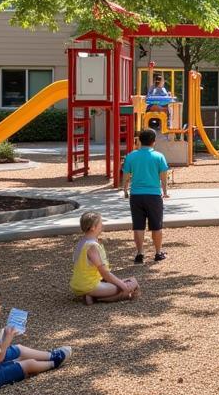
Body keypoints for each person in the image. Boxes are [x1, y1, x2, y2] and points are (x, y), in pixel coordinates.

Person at [69, 211, 140, 305]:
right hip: (89, 285)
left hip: (79, 283)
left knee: (130, 282)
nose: (102, 225)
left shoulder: (82, 242)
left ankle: (93, 295)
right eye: (100, 223)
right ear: (93, 227)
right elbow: (104, 272)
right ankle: (95, 297)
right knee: (132, 285)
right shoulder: (91, 246)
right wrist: (123, 286)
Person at [121, 127, 169, 264]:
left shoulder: (131, 156)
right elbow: (163, 177)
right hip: (153, 195)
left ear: (139, 141)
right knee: (157, 226)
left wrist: (125, 190)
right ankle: (158, 253)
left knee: (138, 226)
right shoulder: (159, 156)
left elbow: (126, 176)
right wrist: (165, 192)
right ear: (154, 141)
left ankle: (140, 253)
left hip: (136, 195)